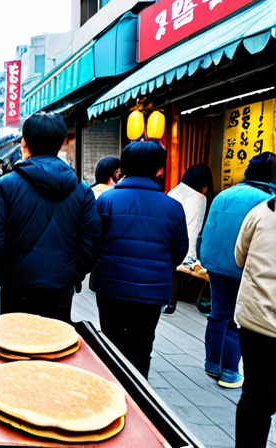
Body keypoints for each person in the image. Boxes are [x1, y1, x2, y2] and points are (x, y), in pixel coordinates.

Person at [0, 112, 101, 323]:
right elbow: (91, 239)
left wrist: (5, 273)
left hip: (16, 285)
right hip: (61, 286)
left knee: (13, 345)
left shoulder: (6, 185)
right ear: (61, 143)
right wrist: (74, 273)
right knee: (54, 346)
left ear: (24, 143)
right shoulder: (82, 190)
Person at [90, 141, 188, 378]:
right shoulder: (173, 207)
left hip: (111, 286)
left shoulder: (106, 201)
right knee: (141, 348)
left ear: (122, 168)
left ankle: (110, 394)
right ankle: (138, 401)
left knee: (111, 344)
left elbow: (94, 241)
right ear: (159, 170)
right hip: (151, 292)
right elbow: (179, 251)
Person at [199, 152, 276, 388]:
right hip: (242, 267)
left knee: (218, 312)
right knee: (236, 318)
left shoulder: (225, 194)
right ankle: (230, 372)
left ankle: (212, 364)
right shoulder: (267, 201)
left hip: (214, 263)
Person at [234, 195, 276, 448]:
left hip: (257, 317)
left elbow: (240, 258)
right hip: (258, 319)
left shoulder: (261, 212)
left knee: (255, 398)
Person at [162, 164, 213, 314]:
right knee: (175, 270)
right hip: (182, 240)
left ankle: (168, 301)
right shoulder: (199, 198)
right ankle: (171, 303)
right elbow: (193, 227)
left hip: (165, 236)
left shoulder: (174, 191)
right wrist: (191, 255)